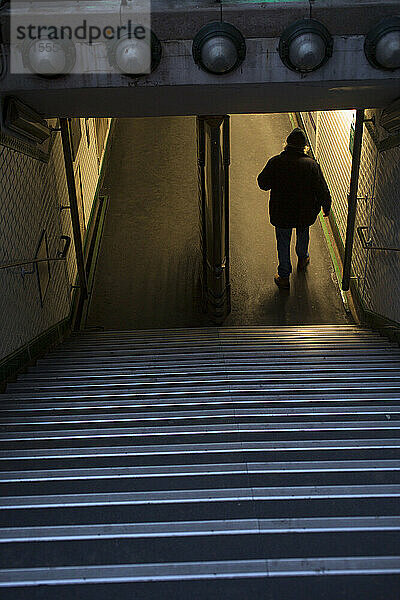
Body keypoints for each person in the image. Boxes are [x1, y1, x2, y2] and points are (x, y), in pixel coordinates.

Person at [257, 127, 332, 289]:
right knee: (303, 233)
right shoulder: (312, 165)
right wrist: (326, 206)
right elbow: (322, 189)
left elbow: (263, 183)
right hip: (304, 212)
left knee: (283, 242)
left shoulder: (276, 162)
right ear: (304, 147)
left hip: (281, 212)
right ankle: (303, 258)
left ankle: (284, 276)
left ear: (286, 144)